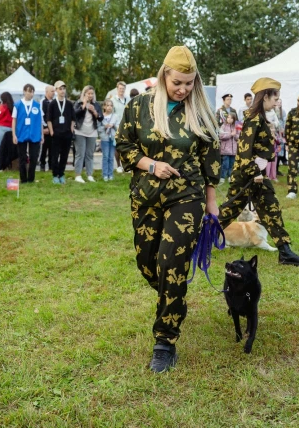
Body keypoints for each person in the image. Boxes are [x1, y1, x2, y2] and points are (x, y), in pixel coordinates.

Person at [116, 46, 222, 373]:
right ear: (164, 75)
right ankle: (170, 295)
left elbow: (210, 159)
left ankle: (165, 340)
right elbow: (124, 145)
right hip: (146, 194)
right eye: (178, 82)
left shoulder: (201, 111)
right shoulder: (138, 106)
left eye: (189, 83)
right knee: (148, 262)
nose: (184, 89)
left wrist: (211, 203)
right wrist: (150, 165)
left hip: (185, 196)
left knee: (171, 260)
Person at [219, 77, 299, 266]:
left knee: (272, 209)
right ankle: (197, 240)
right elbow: (244, 151)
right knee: (228, 212)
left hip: (255, 175)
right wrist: (255, 172)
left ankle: (285, 251)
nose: (277, 102)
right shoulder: (253, 119)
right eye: (274, 98)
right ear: (265, 97)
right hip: (248, 175)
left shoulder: (259, 118)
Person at [12, 84, 44, 183]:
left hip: (34, 134)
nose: (30, 93)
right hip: (21, 134)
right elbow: (14, 120)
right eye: (28, 91)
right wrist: (14, 134)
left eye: (32, 91)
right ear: (24, 92)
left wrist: (42, 135)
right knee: (22, 158)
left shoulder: (37, 105)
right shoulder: (17, 105)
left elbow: (41, 121)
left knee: (34, 157)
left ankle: (31, 178)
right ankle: (23, 179)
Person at [46, 80, 74, 185]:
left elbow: (73, 118)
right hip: (56, 133)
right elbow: (49, 119)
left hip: (66, 133)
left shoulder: (69, 103)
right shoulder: (52, 104)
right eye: (60, 89)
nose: (62, 91)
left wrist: (71, 129)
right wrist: (52, 131)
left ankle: (61, 174)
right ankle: (55, 175)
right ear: (56, 90)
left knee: (64, 155)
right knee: (54, 155)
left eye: (64, 89)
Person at [73, 85, 102, 183]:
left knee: (90, 154)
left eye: (92, 93)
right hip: (80, 131)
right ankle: (78, 175)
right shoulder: (78, 103)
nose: (90, 95)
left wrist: (94, 111)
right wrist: (84, 106)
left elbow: (100, 117)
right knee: (80, 154)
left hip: (92, 132)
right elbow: (74, 114)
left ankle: (89, 175)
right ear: (84, 94)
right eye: (88, 93)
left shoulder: (96, 104)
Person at [112, 82, 129, 174]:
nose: (121, 90)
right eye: (120, 88)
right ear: (117, 89)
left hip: (126, 125)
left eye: (123, 88)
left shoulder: (128, 99)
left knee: (126, 146)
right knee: (117, 146)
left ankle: (125, 165)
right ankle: (118, 165)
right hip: (117, 126)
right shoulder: (113, 100)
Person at [99, 99, 118, 181]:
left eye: (111, 105)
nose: (109, 107)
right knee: (105, 156)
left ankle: (110, 174)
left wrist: (113, 126)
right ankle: (105, 174)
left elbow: (118, 127)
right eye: (107, 105)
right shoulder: (101, 117)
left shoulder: (115, 116)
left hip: (112, 138)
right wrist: (104, 127)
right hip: (105, 138)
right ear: (104, 106)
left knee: (111, 157)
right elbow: (98, 128)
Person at [219, 111, 238, 184]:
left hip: (233, 150)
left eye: (231, 118)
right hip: (225, 150)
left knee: (231, 165)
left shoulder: (236, 127)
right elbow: (221, 136)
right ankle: (222, 177)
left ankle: (230, 177)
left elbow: (238, 137)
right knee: (225, 165)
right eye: (228, 117)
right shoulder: (223, 126)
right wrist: (230, 134)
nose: (229, 119)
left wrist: (235, 135)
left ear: (234, 119)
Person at [39, 85, 55, 172]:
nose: (53, 93)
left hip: (53, 128)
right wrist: (45, 127)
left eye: (54, 91)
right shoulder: (43, 102)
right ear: (47, 92)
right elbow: (41, 116)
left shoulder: (54, 101)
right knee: (44, 148)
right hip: (45, 128)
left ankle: (51, 165)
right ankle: (42, 164)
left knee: (52, 148)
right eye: (52, 91)